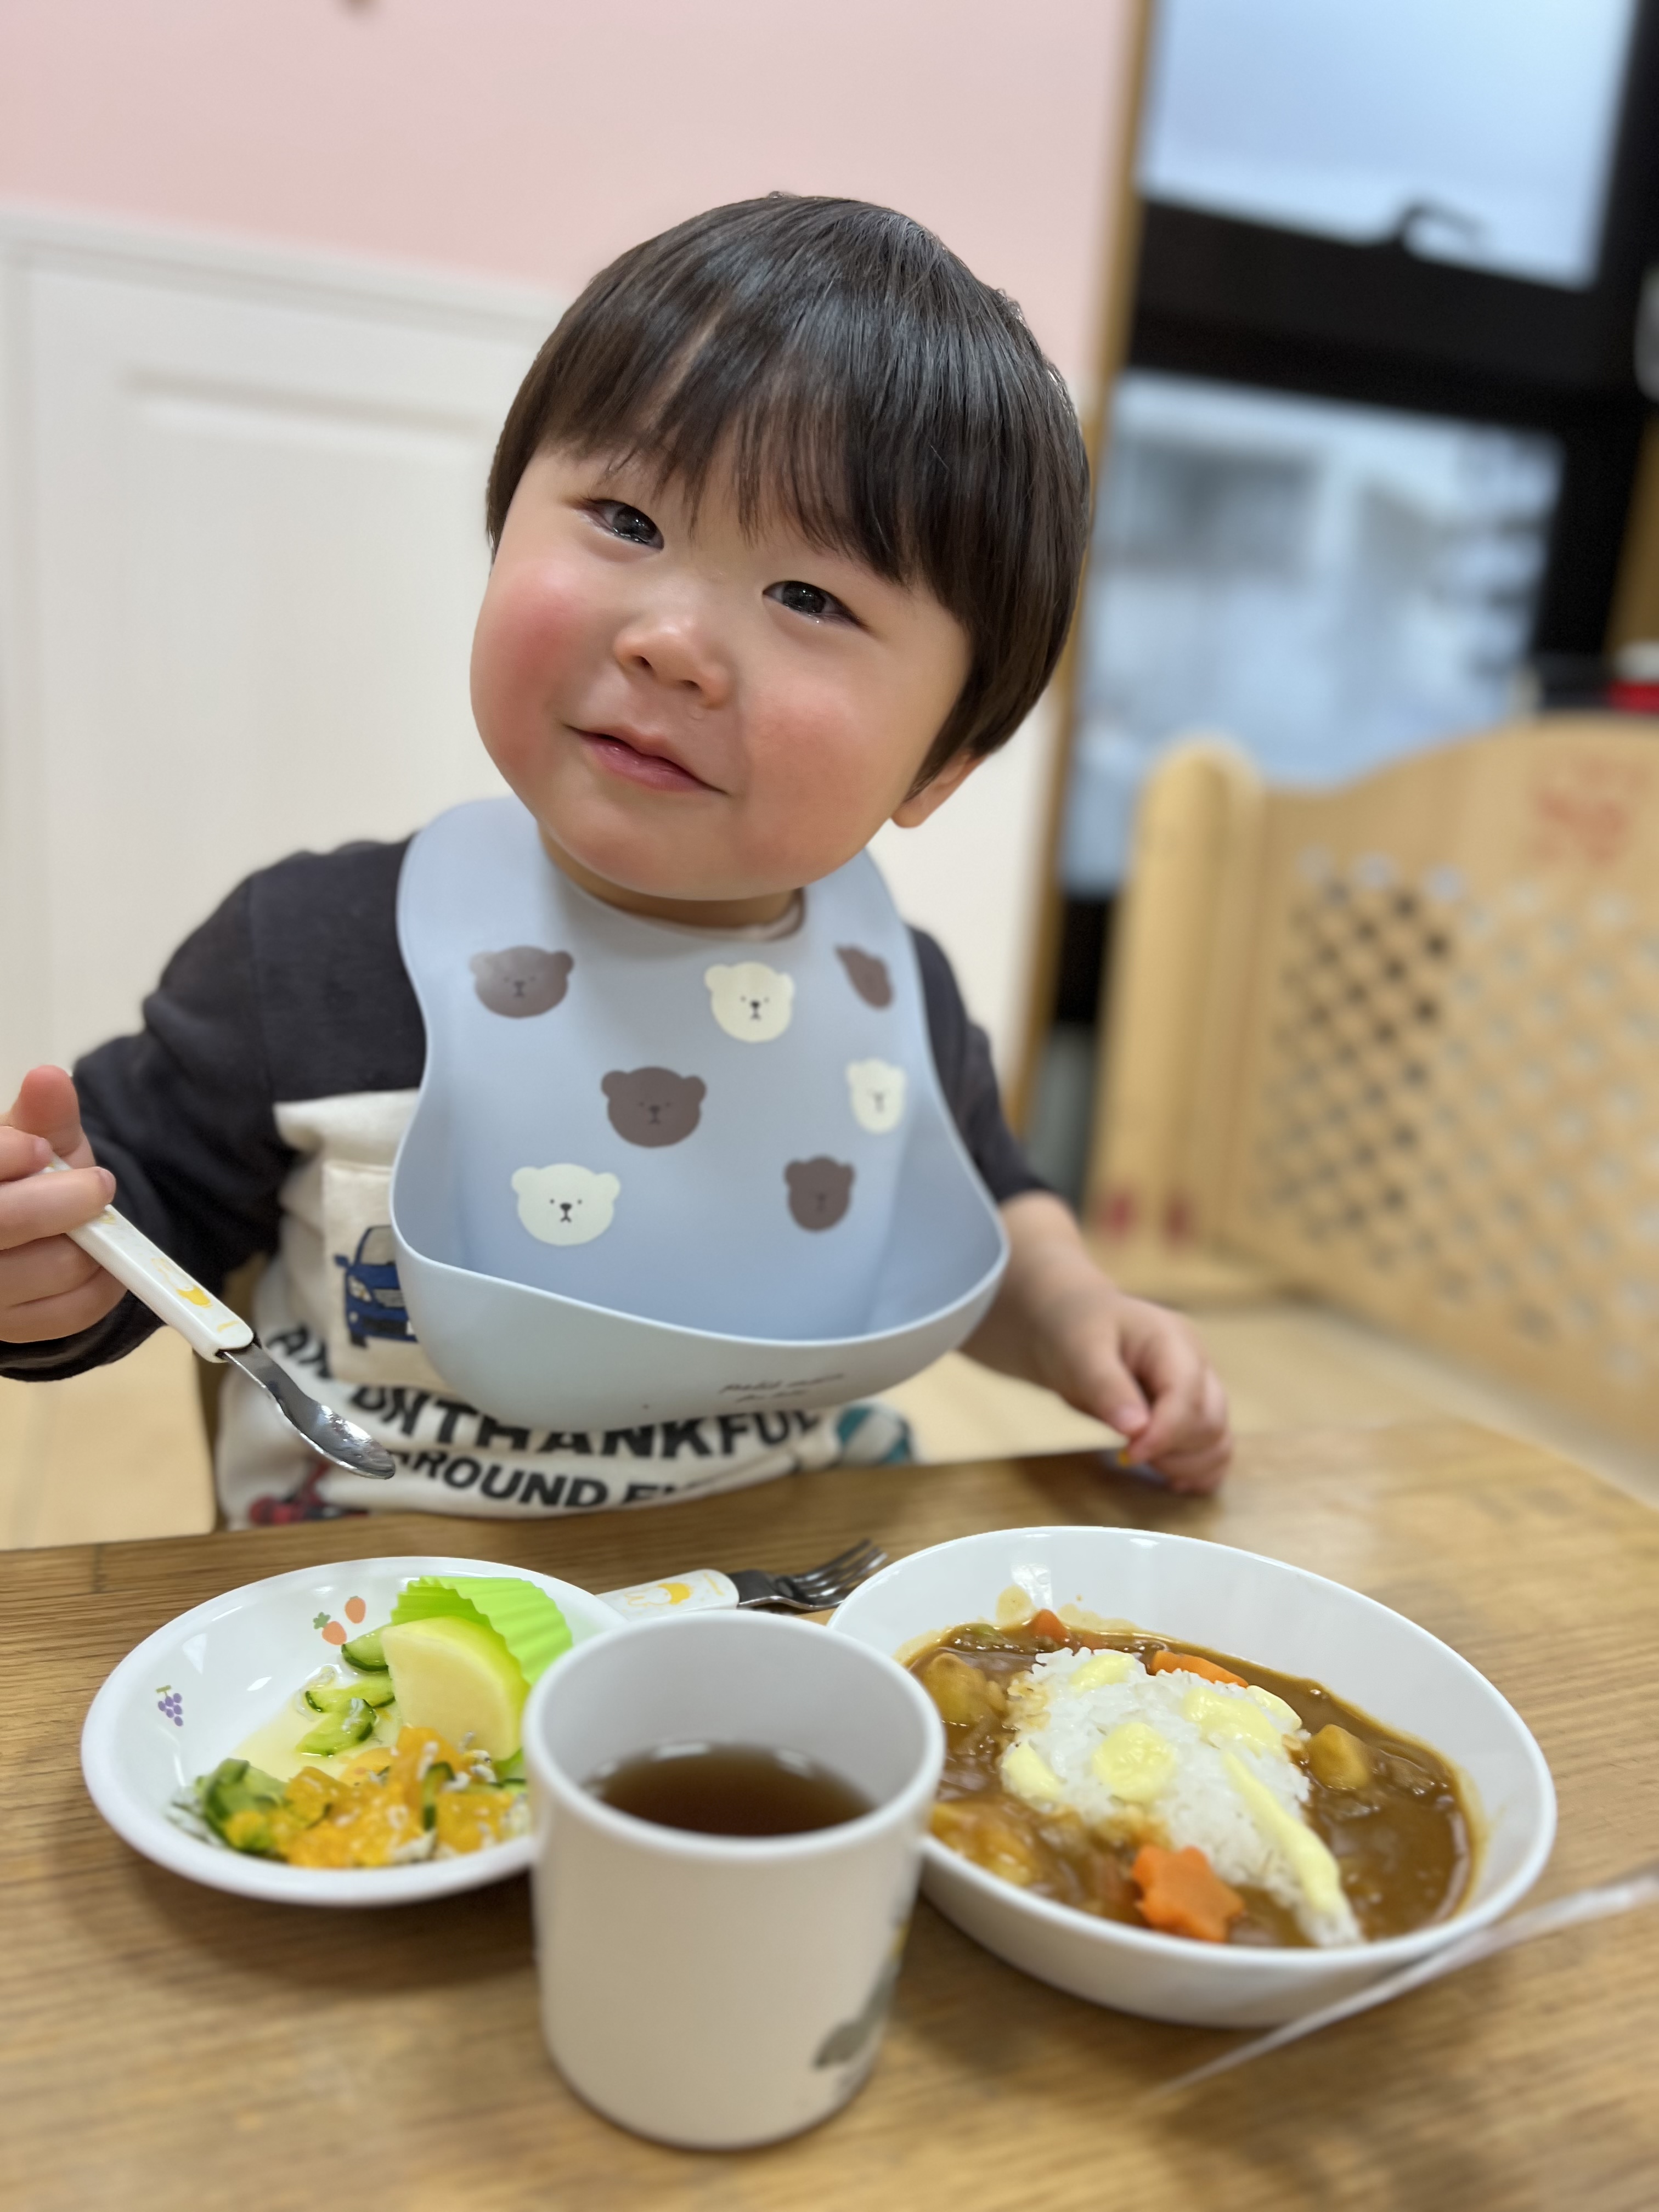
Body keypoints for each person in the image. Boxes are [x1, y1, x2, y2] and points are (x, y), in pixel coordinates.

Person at [0, 196, 1231, 1526]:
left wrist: (1077, 1316)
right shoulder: (305, 955)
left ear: (940, 766)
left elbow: (987, 1211)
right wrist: (49, 1267)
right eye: (629, 520)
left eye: (810, 597)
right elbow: (135, 1214)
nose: (673, 643)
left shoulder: (898, 996)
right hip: (375, 1604)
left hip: (777, 1575)